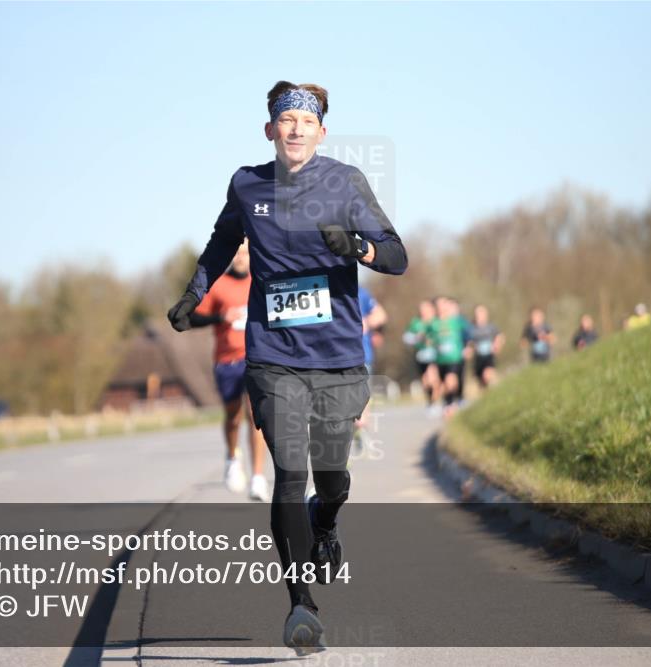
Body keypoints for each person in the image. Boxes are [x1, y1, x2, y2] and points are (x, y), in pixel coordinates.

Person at [166, 81, 407, 654]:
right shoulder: (247, 185)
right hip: (273, 356)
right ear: (269, 130)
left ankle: (326, 521)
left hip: (339, 358)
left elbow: (396, 254)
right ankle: (302, 604)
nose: (296, 128)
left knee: (331, 479)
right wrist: (195, 294)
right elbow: (221, 242)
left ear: (321, 132)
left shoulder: (345, 182)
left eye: (306, 120)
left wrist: (357, 247)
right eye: (286, 119)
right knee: (288, 475)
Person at [188, 240, 269, 502]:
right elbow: (193, 317)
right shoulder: (218, 285)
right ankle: (232, 456)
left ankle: (257, 477)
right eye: (236, 253)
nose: (241, 258)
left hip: (256, 358)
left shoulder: (262, 280)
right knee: (233, 417)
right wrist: (221, 318)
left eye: (245, 253)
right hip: (227, 361)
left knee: (255, 415)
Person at [353, 285, 386, 456]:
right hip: (334, 356)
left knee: (363, 396)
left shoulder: (361, 292)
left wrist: (365, 322)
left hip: (362, 355)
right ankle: (352, 430)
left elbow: (381, 315)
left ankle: (361, 428)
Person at [430, 296, 470, 416]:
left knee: (450, 381)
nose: (442, 307)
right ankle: (447, 402)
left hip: (454, 357)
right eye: (439, 305)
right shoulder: (433, 323)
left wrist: (469, 347)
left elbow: (469, 334)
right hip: (439, 359)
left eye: (444, 304)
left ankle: (451, 402)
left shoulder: (457, 321)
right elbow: (427, 339)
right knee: (442, 385)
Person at [402, 299, 440, 414]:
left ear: (432, 309)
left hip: (435, 356)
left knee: (433, 378)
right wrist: (417, 338)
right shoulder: (416, 322)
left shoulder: (437, 322)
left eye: (426, 308)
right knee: (425, 381)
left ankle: (435, 403)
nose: (423, 311)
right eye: (421, 309)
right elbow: (406, 337)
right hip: (420, 356)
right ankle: (430, 402)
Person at [468, 304, 504, 389]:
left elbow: (500, 336)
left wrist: (497, 345)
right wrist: (471, 348)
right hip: (478, 358)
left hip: (489, 356)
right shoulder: (471, 328)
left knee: (488, 375)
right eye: (478, 313)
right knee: (481, 382)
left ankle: (495, 390)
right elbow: (469, 342)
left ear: (486, 314)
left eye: (482, 313)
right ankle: (485, 395)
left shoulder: (491, 327)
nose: (480, 315)